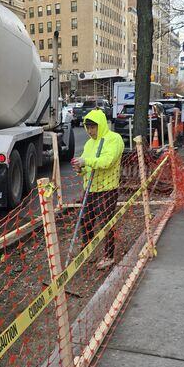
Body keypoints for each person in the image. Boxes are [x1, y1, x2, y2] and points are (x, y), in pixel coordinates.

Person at [71, 108, 124, 271]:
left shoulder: (113, 139)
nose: (90, 131)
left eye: (93, 127)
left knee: (106, 223)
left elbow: (107, 161)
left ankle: (108, 256)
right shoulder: (89, 143)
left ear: (100, 125)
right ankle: (87, 251)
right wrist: (80, 168)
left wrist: (85, 161)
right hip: (90, 189)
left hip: (107, 189)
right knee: (86, 221)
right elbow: (88, 165)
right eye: (87, 127)